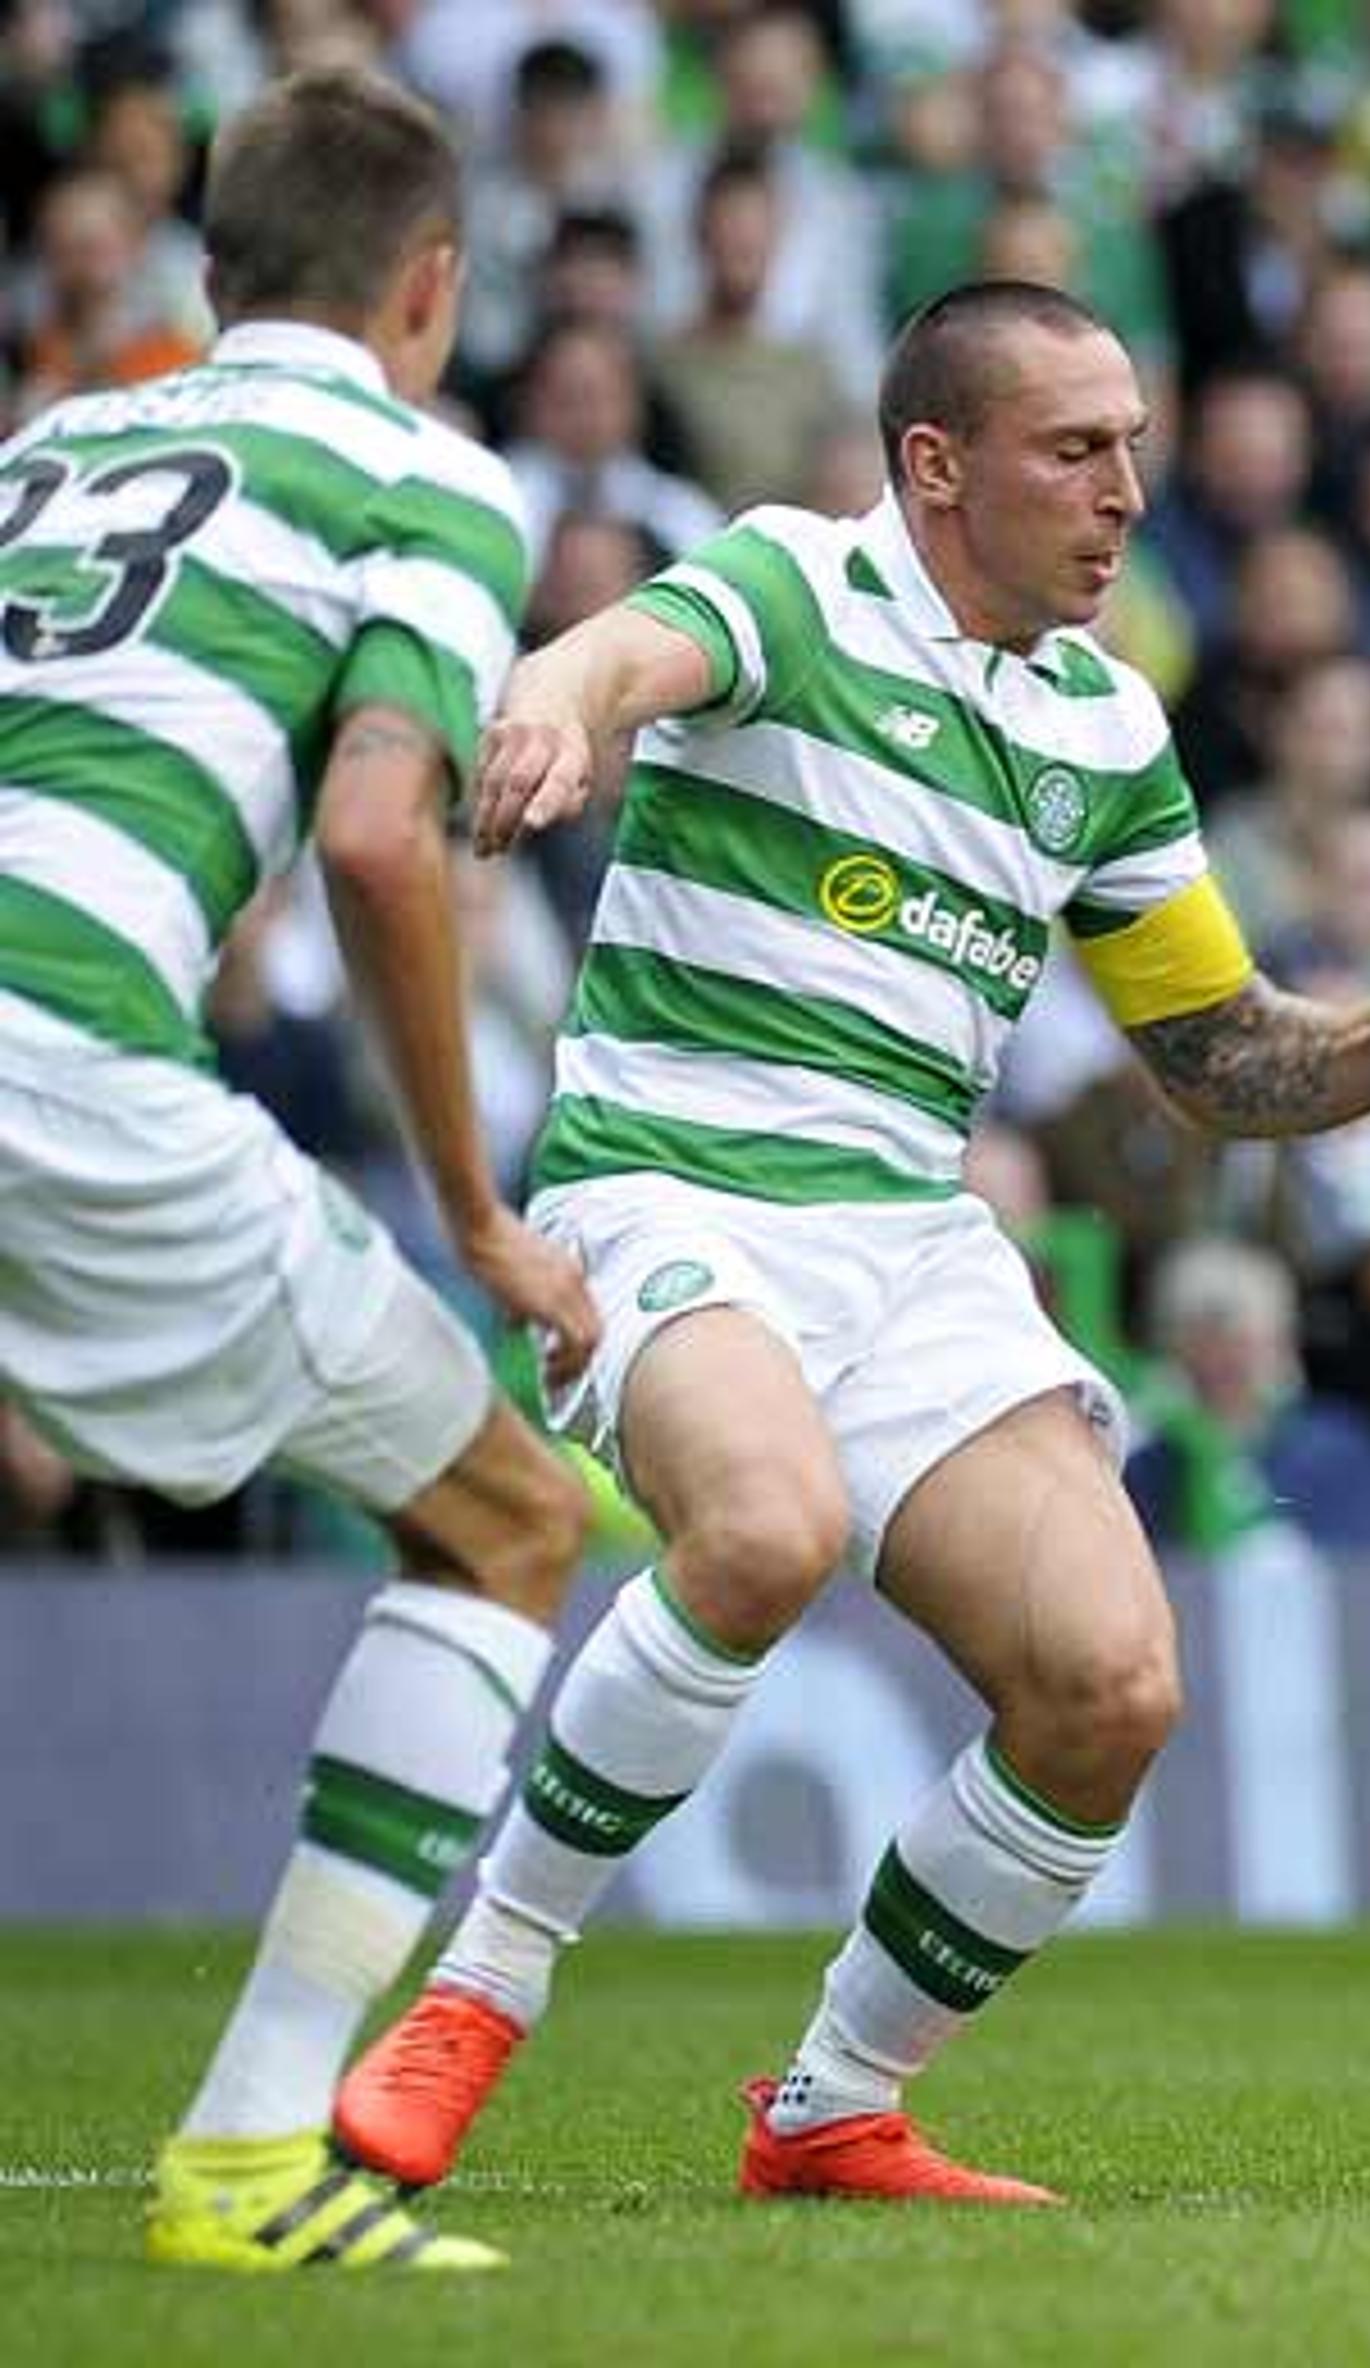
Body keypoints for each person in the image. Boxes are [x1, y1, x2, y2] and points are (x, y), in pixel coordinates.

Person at [331, 281, 1370, 2208]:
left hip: (906, 1240)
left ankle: (830, 2106)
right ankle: (475, 1990)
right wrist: (547, 714)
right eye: (1077, 450)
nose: (1127, 488)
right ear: (936, 466)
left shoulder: (1102, 722)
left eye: (1135, 442)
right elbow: (612, 661)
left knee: (1111, 1685)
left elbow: (1216, 1059)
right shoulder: (795, 586)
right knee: (765, 1527)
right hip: (675, 1185)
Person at [0, 70, 597, 2274]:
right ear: (430, 290)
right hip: (59, 1054)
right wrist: (469, 1209)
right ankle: (255, 2152)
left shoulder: (44, 450)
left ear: (214, 266)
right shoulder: (418, 469)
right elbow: (376, 831)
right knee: (508, 1511)